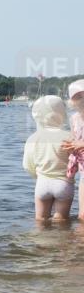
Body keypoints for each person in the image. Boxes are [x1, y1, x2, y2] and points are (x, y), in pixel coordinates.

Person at [23, 95, 74, 221]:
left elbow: (27, 165)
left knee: (40, 219)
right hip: (64, 183)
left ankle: (41, 240)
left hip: (42, 183)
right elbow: (75, 162)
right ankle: (60, 239)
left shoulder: (33, 138)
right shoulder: (69, 137)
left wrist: (37, 175)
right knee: (62, 220)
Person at [61, 79, 84, 221]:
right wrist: (71, 146)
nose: (82, 99)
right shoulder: (74, 119)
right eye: (79, 96)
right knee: (82, 215)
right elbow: (75, 140)